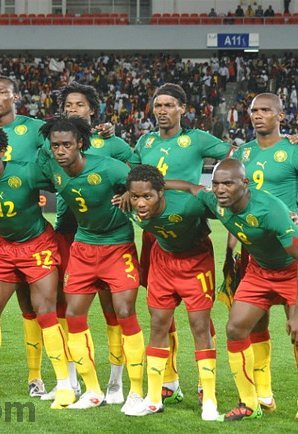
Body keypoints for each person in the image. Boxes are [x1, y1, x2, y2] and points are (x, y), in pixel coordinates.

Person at [0, 76, 115, 398]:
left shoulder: (34, 131)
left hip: (33, 232)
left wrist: (100, 137)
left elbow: (63, 150)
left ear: (15, 96)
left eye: (2, 92)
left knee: (40, 306)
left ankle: (46, 379)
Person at [166, 158, 298, 431]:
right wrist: (153, 184)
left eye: (228, 183)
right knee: (236, 328)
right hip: (260, 270)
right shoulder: (216, 201)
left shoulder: (270, 209)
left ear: (245, 184)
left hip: (294, 268)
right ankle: (250, 404)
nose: (220, 189)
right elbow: (192, 188)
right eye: (216, 183)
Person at [129, 83, 234, 405]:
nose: (162, 110)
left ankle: (205, 385)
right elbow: (133, 176)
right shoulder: (145, 141)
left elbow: (235, 156)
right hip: (155, 234)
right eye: (157, 105)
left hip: (188, 225)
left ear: (182, 109)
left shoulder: (197, 139)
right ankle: (169, 381)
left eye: (169, 105)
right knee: (161, 312)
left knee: (198, 315)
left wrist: (196, 188)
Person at [0, 124, 74, 409]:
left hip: (38, 245)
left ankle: (64, 385)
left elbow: (62, 181)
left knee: (45, 311)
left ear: (2, 152)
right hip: (4, 247)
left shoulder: (27, 172)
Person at [39, 115, 145, 411]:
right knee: (73, 315)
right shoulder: (52, 168)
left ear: (80, 144)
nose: (61, 151)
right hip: (83, 247)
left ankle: (135, 391)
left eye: (67, 145)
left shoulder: (109, 167)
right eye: (55, 145)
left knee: (124, 312)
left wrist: (130, 193)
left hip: (117, 246)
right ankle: (92, 391)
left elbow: (143, 183)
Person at [230, 93, 298, 422]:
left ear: (280, 116)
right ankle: (262, 397)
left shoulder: (297, 153)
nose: (258, 115)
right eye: (254, 110)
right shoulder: (241, 154)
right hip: (256, 257)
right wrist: (231, 252)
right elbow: (233, 207)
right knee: (250, 326)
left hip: (292, 255)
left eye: (265, 110)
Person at [122, 165, 218, 420]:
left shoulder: (188, 205)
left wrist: (194, 190)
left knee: (200, 327)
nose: (141, 203)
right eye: (135, 196)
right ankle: (154, 399)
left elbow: (224, 210)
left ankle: (209, 397)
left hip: (196, 261)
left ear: (161, 193)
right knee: (158, 325)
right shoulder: (128, 205)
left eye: (147, 196)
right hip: (163, 261)